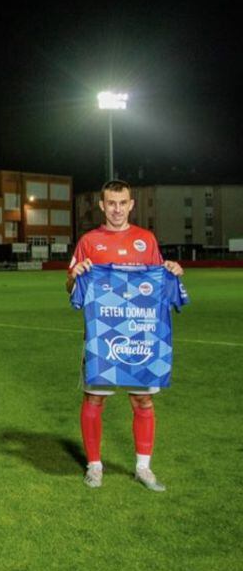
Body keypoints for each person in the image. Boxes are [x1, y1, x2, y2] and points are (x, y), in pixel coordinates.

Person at [67, 179, 184, 491]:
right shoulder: (89, 241)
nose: (117, 209)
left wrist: (172, 272)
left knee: (143, 400)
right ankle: (94, 466)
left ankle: (143, 468)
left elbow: (157, 284)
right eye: (111, 203)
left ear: (131, 205)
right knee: (94, 399)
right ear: (102, 205)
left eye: (123, 203)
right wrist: (76, 276)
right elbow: (71, 288)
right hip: (101, 336)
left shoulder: (146, 239)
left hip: (140, 335)